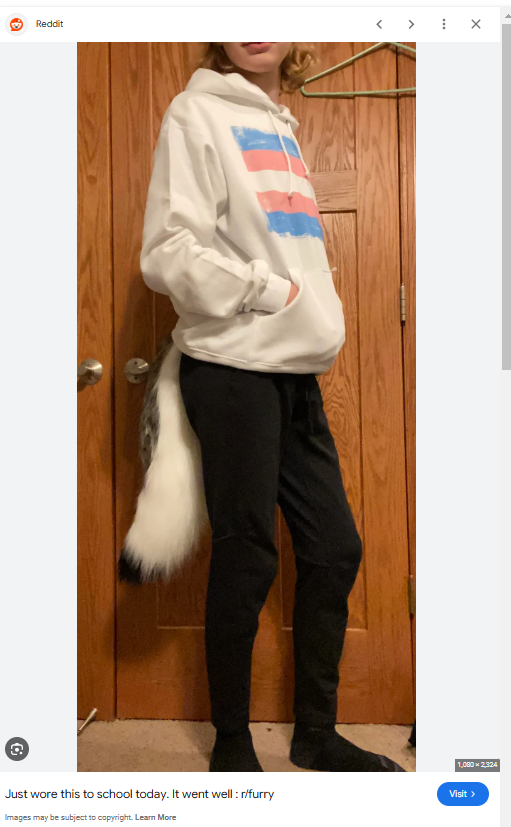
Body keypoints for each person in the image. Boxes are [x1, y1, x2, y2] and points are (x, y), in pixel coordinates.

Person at [140, 42, 404, 773]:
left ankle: (315, 733)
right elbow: (166, 250)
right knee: (248, 550)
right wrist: (266, 290)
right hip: (232, 366)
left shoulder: (279, 124)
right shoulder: (196, 112)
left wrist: (306, 308)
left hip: (292, 369)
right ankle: (231, 745)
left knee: (335, 546)